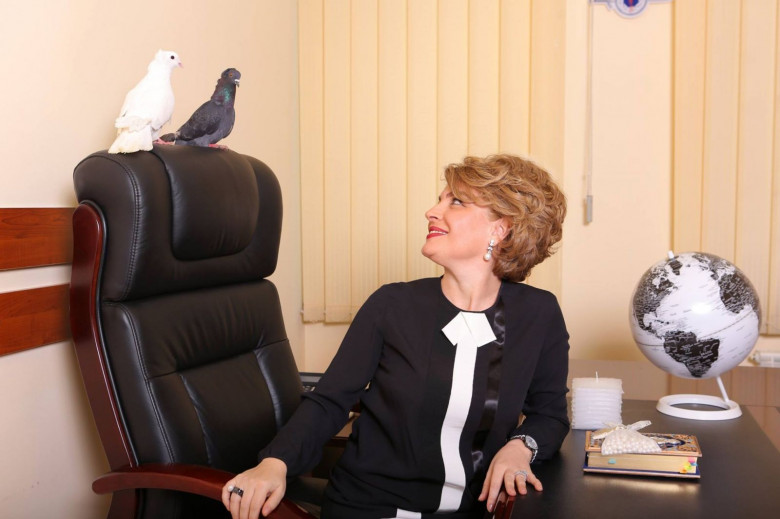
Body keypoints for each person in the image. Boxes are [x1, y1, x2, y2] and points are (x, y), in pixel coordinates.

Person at [222, 154, 570, 519]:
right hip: (372, 508)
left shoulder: (538, 314)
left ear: (500, 229)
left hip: (478, 511)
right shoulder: (393, 305)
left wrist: (521, 446)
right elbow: (330, 400)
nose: (432, 212)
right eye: (440, 199)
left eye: (456, 201)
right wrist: (274, 463)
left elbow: (550, 415)